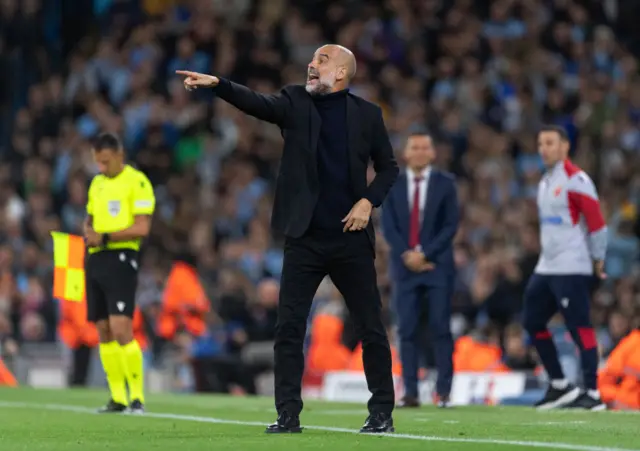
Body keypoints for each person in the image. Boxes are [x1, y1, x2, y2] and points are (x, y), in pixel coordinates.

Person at [177, 43, 398, 434]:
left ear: (343, 73)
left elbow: (388, 168)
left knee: (369, 327)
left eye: (322, 61)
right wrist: (219, 85)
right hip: (305, 237)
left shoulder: (367, 115)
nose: (312, 65)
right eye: (312, 59)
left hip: (350, 236)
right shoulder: (295, 101)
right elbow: (257, 103)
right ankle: (288, 414)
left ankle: (381, 412)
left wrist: (368, 201)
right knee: (289, 328)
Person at [523, 125, 607, 411]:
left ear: (564, 147)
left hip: (572, 265)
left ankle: (593, 393)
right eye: (540, 143)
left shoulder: (576, 179)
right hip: (547, 266)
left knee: (578, 326)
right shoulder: (545, 182)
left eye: (550, 142)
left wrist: (598, 260)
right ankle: (560, 384)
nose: (544, 148)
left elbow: (596, 223)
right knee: (532, 320)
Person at [381, 134, 459, 408]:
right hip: (405, 269)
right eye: (414, 147)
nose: (420, 151)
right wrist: (408, 255)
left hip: (437, 267)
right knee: (407, 330)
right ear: (405, 153)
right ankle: (411, 392)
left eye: (425, 146)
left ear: (433, 152)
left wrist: (424, 254)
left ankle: (444, 392)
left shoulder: (446, 184)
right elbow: (389, 226)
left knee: (440, 328)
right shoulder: (392, 185)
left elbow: (450, 226)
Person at [83, 132, 156, 414]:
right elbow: (89, 218)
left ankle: (136, 396)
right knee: (102, 329)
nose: (101, 168)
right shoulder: (97, 183)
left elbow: (142, 228)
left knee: (121, 327)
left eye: (105, 161)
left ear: (119, 155)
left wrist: (105, 237)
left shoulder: (136, 181)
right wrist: (87, 232)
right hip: (96, 259)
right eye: (97, 162)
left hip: (122, 257)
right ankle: (117, 398)